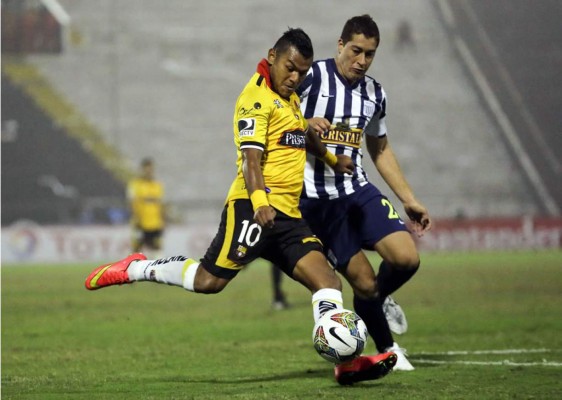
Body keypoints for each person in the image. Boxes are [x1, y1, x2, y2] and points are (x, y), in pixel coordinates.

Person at [84, 28, 397, 385]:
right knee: (207, 282)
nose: (295, 78)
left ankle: (345, 363)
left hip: (289, 217)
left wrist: (329, 157)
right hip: (252, 209)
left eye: (303, 73)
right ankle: (137, 268)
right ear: (272, 56)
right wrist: (261, 203)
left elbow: (300, 133)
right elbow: (251, 160)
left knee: (327, 283)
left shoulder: (288, 97)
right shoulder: (255, 99)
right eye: (290, 68)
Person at [296, 14, 432, 371]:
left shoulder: (375, 93)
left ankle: (379, 299)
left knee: (406, 259)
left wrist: (408, 198)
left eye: (370, 54)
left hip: (357, 190)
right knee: (365, 284)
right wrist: (303, 123)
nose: (362, 60)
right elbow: (275, 123)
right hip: (317, 204)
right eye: (356, 51)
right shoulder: (310, 78)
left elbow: (380, 149)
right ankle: (389, 347)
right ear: (340, 45)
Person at [127, 157, 165, 259]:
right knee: (137, 248)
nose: (149, 172)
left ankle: (157, 271)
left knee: (157, 247)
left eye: (151, 170)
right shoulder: (135, 185)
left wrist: (163, 220)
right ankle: (133, 271)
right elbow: (131, 203)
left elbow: (160, 204)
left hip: (155, 223)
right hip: (140, 223)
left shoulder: (157, 185)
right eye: (147, 170)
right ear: (142, 170)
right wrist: (135, 219)